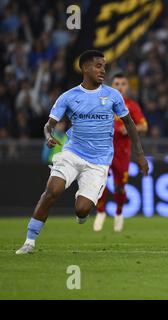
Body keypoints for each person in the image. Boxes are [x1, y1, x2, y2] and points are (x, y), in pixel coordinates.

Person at [15, 50, 149, 254]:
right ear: (84, 68)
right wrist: (49, 137)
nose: (103, 70)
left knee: (82, 209)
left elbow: (130, 124)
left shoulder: (113, 96)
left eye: (104, 66)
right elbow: (49, 125)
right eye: (98, 65)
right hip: (72, 153)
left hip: (99, 161)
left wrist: (139, 155)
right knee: (52, 192)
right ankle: (29, 241)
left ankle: (83, 210)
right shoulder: (68, 97)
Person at [93, 73, 148, 232]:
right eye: (117, 83)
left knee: (119, 187)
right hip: (103, 151)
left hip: (122, 153)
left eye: (123, 84)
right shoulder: (103, 103)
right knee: (99, 183)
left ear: (127, 87)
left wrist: (131, 128)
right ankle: (101, 212)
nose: (120, 86)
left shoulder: (132, 106)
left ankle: (118, 213)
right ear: (112, 86)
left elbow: (144, 126)